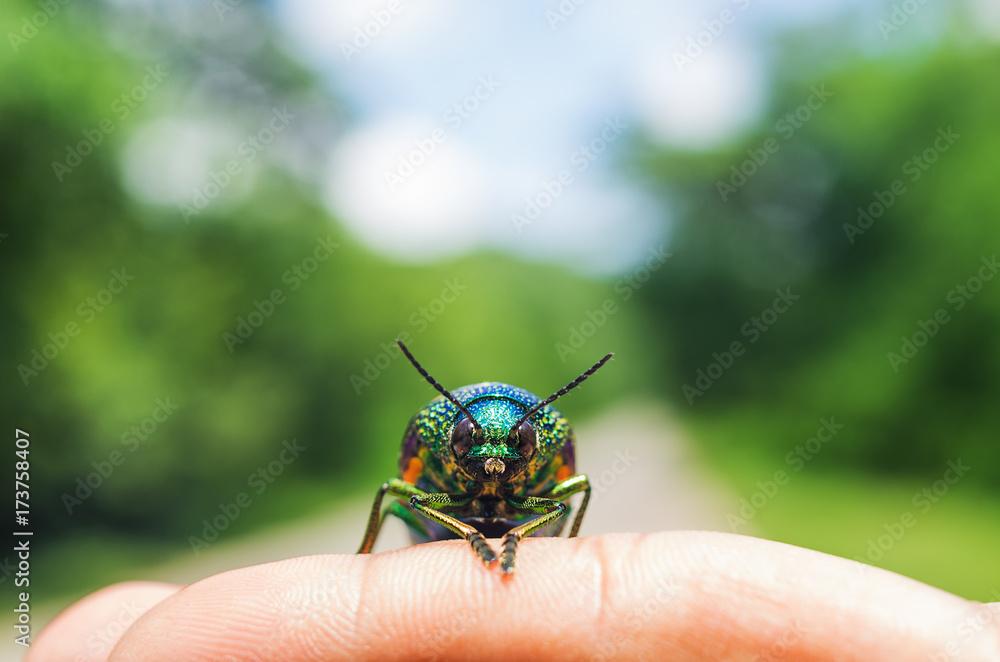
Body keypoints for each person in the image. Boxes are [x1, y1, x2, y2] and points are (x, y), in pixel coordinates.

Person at [27, 531, 1000, 661]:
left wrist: (547, 539)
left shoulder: (546, 464)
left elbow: (566, 490)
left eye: (513, 454)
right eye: (477, 452)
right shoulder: (436, 458)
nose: (494, 462)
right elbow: (401, 484)